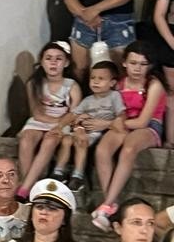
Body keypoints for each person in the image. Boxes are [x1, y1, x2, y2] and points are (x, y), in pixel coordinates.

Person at [91, 41, 166, 229]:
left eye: (142, 64)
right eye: (133, 63)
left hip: (148, 125)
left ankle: (106, 205)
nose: (138, 69)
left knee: (129, 148)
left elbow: (142, 121)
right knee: (102, 150)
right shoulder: (119, 84)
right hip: (123, 123)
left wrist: (108, 124)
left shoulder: (154, 85)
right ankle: (111, 205)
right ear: (124, 63)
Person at [15, 41, 81, 199]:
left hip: (62, 124)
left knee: (50, 141)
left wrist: (60, 124)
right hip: (40, 121)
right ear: (42, 62)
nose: (53, 62)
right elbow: (37, 113)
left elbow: (74, 113)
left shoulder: (72, 86)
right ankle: (29, 184)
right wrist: (55, 120)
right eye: (48, 58)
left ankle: (24, 189)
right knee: (26, 140)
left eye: (58, 59)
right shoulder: (34, 84)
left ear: (66, 63)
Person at [49, 59, 126, 192]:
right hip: (82, 128)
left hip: (97, 131)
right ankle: (58, 172)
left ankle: (78, 175)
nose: (95, 81)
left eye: (101, 78)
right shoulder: (88, 100)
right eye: (93, 78)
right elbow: (73, 115)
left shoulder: (114, 96)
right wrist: (60, 126)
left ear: (112, 82)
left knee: (82, 140)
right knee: (66, 140)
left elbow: (121, 115)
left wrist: (110, 124)